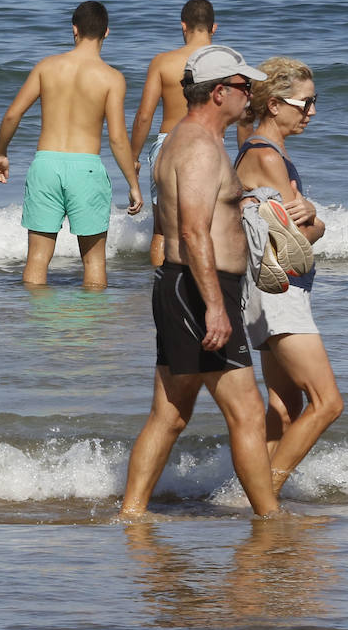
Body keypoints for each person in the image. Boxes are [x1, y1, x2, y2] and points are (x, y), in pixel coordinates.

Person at [120, 44, 280, 519]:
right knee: (247, 412)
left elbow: (202, 219)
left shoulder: (189, 142)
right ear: (218, 93)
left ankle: (131, 514)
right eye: (243, 86)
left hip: (184, 286)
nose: (249, 94)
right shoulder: (196, 146)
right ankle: (270, 518)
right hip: (198, 289)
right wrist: (214, 304)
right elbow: (191, 231)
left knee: (169, 415)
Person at [234, 57, 343, 491]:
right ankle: (266, 493)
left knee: (284, 408)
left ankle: (246, 499)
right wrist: (319, 218)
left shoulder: (261, 147)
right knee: (327, 402)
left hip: (266, 290)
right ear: (275, 104)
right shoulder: (266, 154)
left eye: (314, 101)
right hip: (279, 291)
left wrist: (309, 216)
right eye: (306, 102)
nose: (312, 111)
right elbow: (295, 241)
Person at [0, 0, 143, 288]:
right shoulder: (112, 78)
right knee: (94, 262)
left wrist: (1, 152)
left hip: (45, 165)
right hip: (85, 168)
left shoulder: (47, 67)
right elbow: (116, 138)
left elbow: (12, 114)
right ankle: (87, 330)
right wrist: (133, 184)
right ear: (107, 32)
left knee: (36, 259)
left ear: (74, 30)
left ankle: (40, 327)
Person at [129, 0, 219, 266]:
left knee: (161, 229)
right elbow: (243, 116)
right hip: (208, 144)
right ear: (214, 27)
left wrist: (132, 158)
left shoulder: (162, 62)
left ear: (183, 26)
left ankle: (161, 292)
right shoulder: (225, 63)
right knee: (205, 227)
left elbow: (144, 115)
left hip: (168, 144)